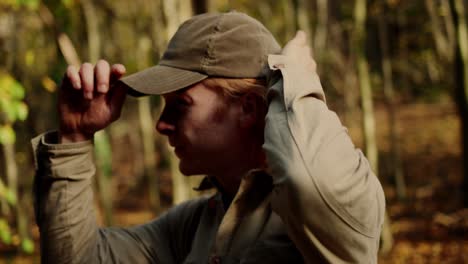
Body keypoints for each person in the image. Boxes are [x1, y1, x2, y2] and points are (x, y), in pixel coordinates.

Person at [32, 12, 385, 263]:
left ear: (247, 108)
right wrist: (74, 138)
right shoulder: (193, 226)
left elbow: (308, 183)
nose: (161, 125)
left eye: (180, 106)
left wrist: (290, 74)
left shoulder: (340, 205)